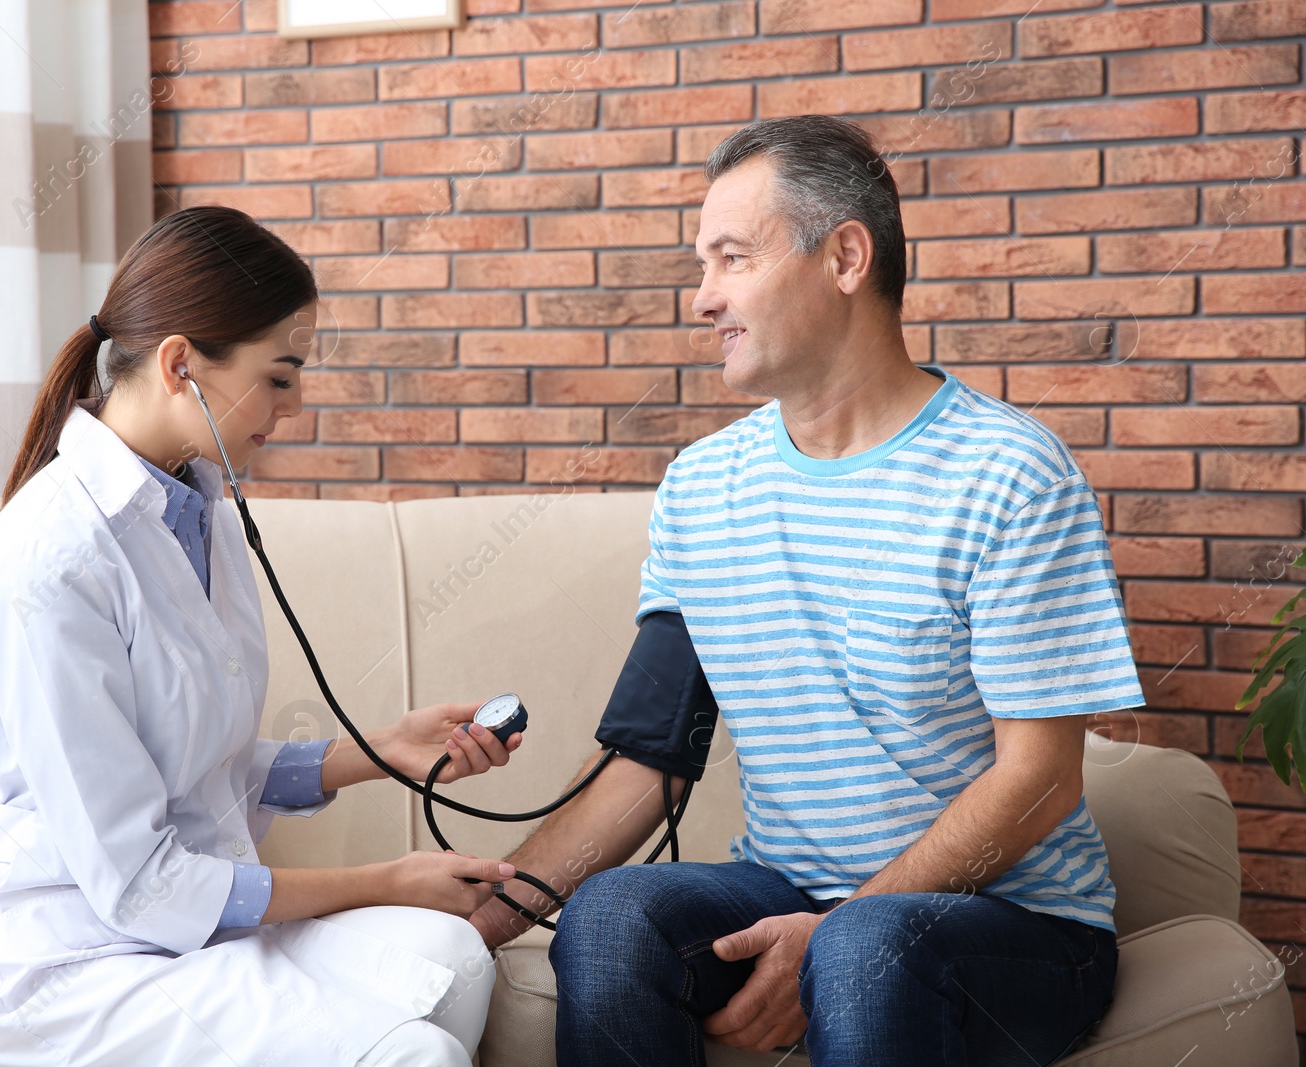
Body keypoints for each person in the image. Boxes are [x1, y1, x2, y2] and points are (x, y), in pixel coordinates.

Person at [467, 115, 1143, 1067]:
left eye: (731, 258)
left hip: (1013, 927)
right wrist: (470, 929)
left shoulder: (1010, 473)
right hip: (786, 883)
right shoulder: (701, 489)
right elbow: (649, 760)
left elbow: (1041, 779)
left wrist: (834, 933)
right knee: (615, 916)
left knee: (867, 949)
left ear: (845, 257)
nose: (702, 299)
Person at [0, 206, 523, 1067]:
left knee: (457, 963)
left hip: (177, 933)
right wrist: (386, 880)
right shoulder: (50, 563)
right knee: (412, 1051)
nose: (298, 403)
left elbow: (189, 760)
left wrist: (381, 750)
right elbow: (142, 883)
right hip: (67, 962)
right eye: (281, 376)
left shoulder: (195, 501)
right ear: (181, 364)